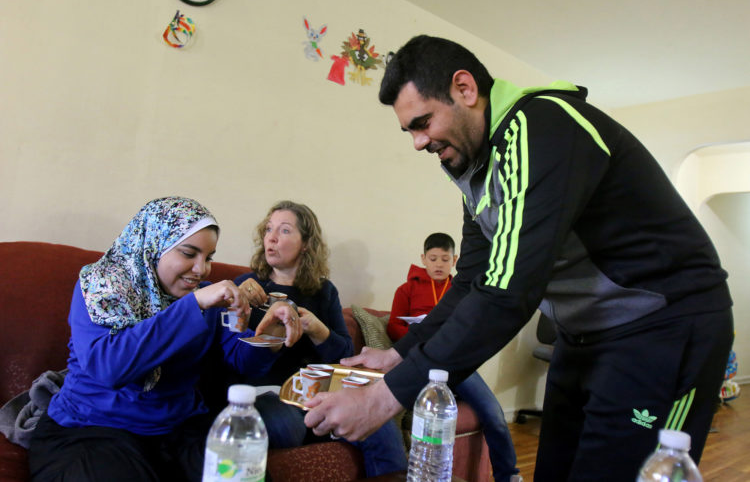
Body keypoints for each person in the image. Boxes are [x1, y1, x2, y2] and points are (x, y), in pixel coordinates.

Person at [304, 35, 734, 481]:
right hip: (584, 335)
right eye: (409, 130)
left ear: (465, 89)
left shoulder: (541, 126)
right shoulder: (474, 163)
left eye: (423, 122)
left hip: (665, 326)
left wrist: (383, 399)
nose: (418, 142)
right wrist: (398, 355)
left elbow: (508, 291)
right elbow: (473, 279)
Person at [28, 197, 302, 482]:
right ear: (152, 245)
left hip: (179, 430)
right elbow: (110, 368)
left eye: (208, 258)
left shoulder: (204, 298)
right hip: (93, 428)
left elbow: (241, 359)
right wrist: (193, 305)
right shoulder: (101, 287)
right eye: (188, 253)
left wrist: (272, 334)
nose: (202, 269)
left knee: (242, 475)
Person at [233, 200, 407, 477]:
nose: (272, 237)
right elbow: (231, 354)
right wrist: (236, 301)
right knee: (283, 424)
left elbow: (344, 356)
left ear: (305, 244)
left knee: (380, 423)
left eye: (285, 230)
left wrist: (318, 329)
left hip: (317, 393)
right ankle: (322, 428)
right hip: (267, 394)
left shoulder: (323, 291)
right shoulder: (247, 286)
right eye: (268, 229)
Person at [388, 232, 520, 481]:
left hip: (456, 364)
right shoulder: (406, 290)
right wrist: (421, 332)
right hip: (421, 364)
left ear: (455, 260)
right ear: (423, 259)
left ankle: (509, 474)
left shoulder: (465, 290)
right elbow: (394, 328)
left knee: (494, 414)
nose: (439, 264)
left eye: (445, 259)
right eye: (433, 258)